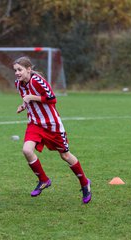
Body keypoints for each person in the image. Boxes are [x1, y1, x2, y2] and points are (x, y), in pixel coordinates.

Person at [13, 56, 92, 204]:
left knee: (65, 156)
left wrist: (31, 97)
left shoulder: (37, 81)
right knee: (27, 150)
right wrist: (24, 105)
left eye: (20, 69)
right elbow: (27, 100)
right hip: (34, 123)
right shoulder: (18, 84)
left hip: (52, 125)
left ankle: (84, 183)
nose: (17, 73)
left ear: (28, 69)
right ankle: (43, 180)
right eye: (15, 70)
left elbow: (51, 98)